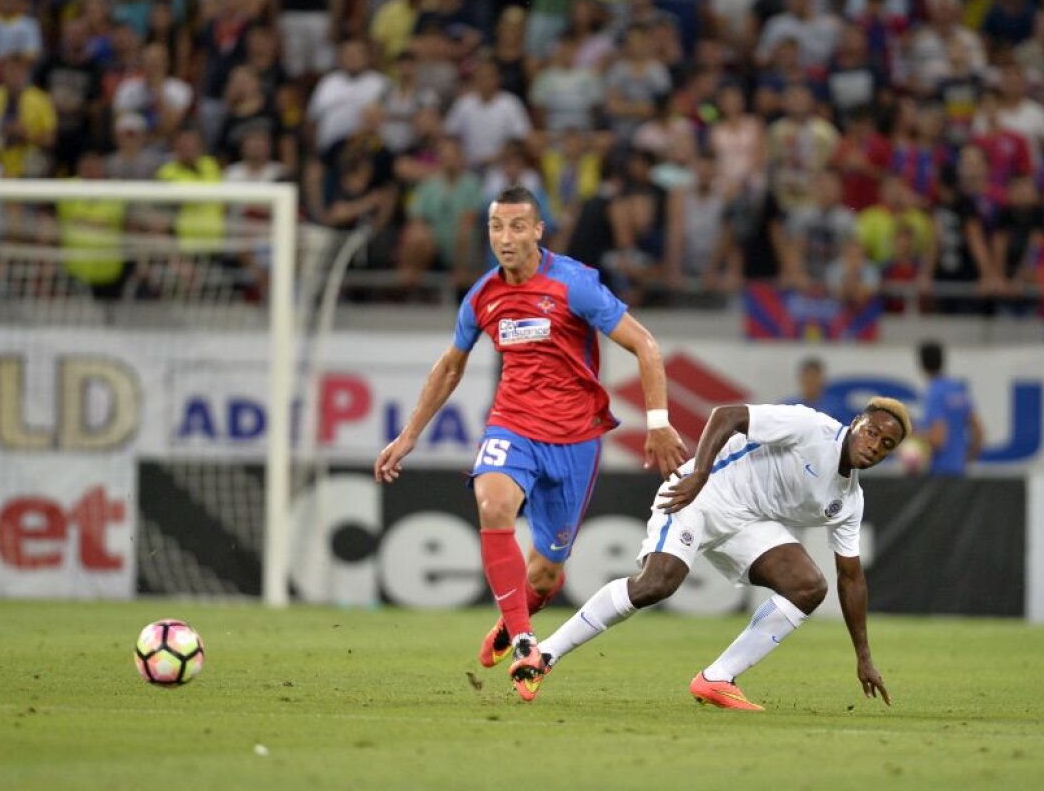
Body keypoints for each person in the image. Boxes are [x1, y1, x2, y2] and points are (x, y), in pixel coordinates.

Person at [374, 185, 687, 701]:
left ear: (538, 230)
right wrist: (408, 436)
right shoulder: (483, 296)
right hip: (512, 425)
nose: (506, 237)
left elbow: (645, 346)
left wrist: (658, 422)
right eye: (496, 227)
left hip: (575, 439)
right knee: (493, 503)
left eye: (517, 226)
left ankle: (513, 618)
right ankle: (524, 642)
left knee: (544, 573)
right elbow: (451, 365)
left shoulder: (574, 285)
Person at [525, 397, 913, 710]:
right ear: (856, 423)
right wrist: (699, 473)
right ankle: (543, 656)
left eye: (886, 445)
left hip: (748, 521)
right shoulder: (811, 427)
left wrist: (864, 656)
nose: (874, 445)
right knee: (656, 584)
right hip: (704, 492)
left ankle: (717, 678)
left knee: (809, 586)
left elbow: (851, 578)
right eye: (872, 432)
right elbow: (727, 415)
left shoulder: (849, 501)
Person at [917, 341, 983, 475]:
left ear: (922, 365)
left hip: (940, 473)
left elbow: (938, 439)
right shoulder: (957, 389)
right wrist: (968, 457)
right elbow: (978, 431)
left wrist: (911, 435)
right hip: (960, 471)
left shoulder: (934, 393)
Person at [782, 357, 853, 424]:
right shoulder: (788, 407)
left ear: (822, 380)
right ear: (801, 379)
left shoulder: (835, 407)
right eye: (808, 378)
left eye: (814, 378)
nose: (811, 381)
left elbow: (846, 429)